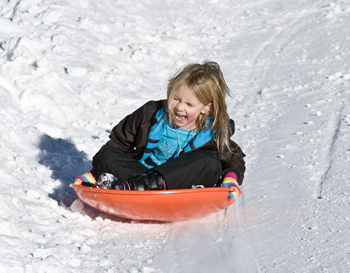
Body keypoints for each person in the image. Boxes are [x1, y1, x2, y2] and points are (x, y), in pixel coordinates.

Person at [75, 61, 245, 201]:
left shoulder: (213, 132)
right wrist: (94, 172)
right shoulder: (151, 114)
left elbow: (234, 161)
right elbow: (118, 143)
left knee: (209, 162)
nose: (179, 107)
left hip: (180, 188)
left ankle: (130, 188)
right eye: (176, 99)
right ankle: (135, 188)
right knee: (106, 155)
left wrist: (230, 181)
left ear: (206, 108)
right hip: (138, 175)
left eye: (189, 104)